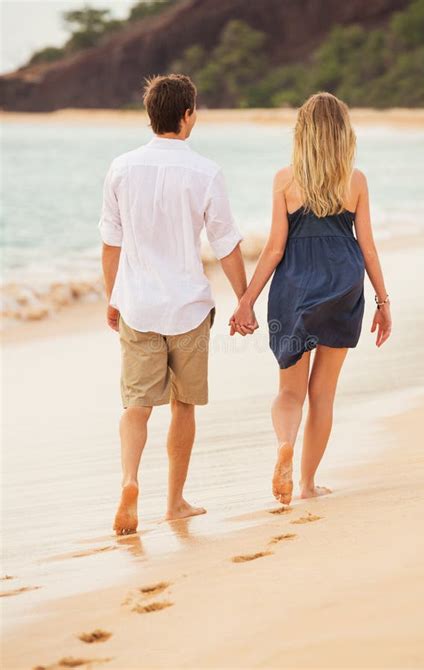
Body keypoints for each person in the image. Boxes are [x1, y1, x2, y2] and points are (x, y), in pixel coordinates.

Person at [99, 74, 255, 535]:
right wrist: (244, 299)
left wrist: (113, 298)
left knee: (136, 405)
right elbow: (225, 243)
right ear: (188, 115)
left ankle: (129, 480)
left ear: (150, 116)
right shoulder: (205, 172)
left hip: (139, 306)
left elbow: (111, 242)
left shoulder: (121, 168)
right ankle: (174, 502)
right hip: (188, 308)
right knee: (183, 405)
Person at [230, 92, 392, 505]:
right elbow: (368, 246)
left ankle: (286, 443)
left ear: (302, 133)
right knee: (323, 395)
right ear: (343, 132)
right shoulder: (354, 181)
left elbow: (274, 250)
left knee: (290, 392)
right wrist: (383, 302)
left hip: (295, 288)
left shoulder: (285, 180)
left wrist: (246, 299)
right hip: (343, 283)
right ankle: (306, 484)